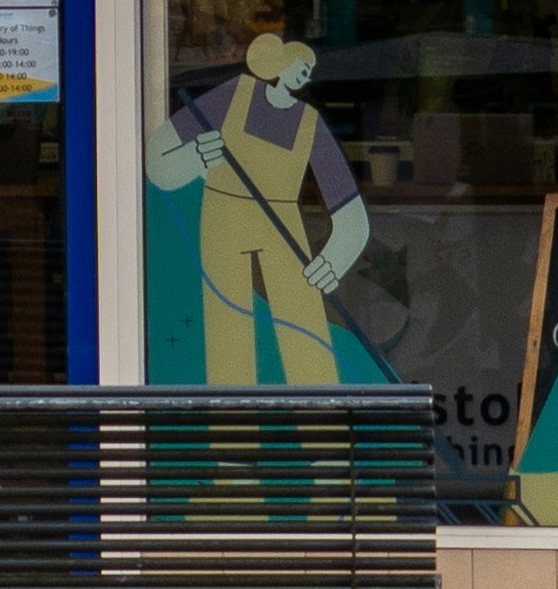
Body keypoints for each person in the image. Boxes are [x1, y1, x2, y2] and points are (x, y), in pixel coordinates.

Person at [143, 32, 380, 384]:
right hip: (224, 217)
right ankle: (231, 433)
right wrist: (194, 156)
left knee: (304, 324)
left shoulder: (309, 122)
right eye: (302, 67)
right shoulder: (234, 94)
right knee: (228, 330)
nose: (305, 77)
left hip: (282, 223)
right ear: (282, 66)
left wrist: (334, 259)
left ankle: (321, 430)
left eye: (309, 71)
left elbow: (346, 203)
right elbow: (157, 161)